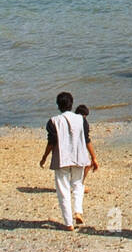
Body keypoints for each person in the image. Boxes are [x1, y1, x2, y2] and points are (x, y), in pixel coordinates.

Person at [38, 91, 99, 231]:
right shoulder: (81, 120)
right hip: (79, 156)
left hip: (62, 158)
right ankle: (78, 211)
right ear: (71, 104)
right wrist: (94, 157)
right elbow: (87, 139)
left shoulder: (53, 121)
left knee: (63, 190)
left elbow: (51, 142)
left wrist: (44, 157)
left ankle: (68, 223)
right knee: (78, 184)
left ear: (58, 105)